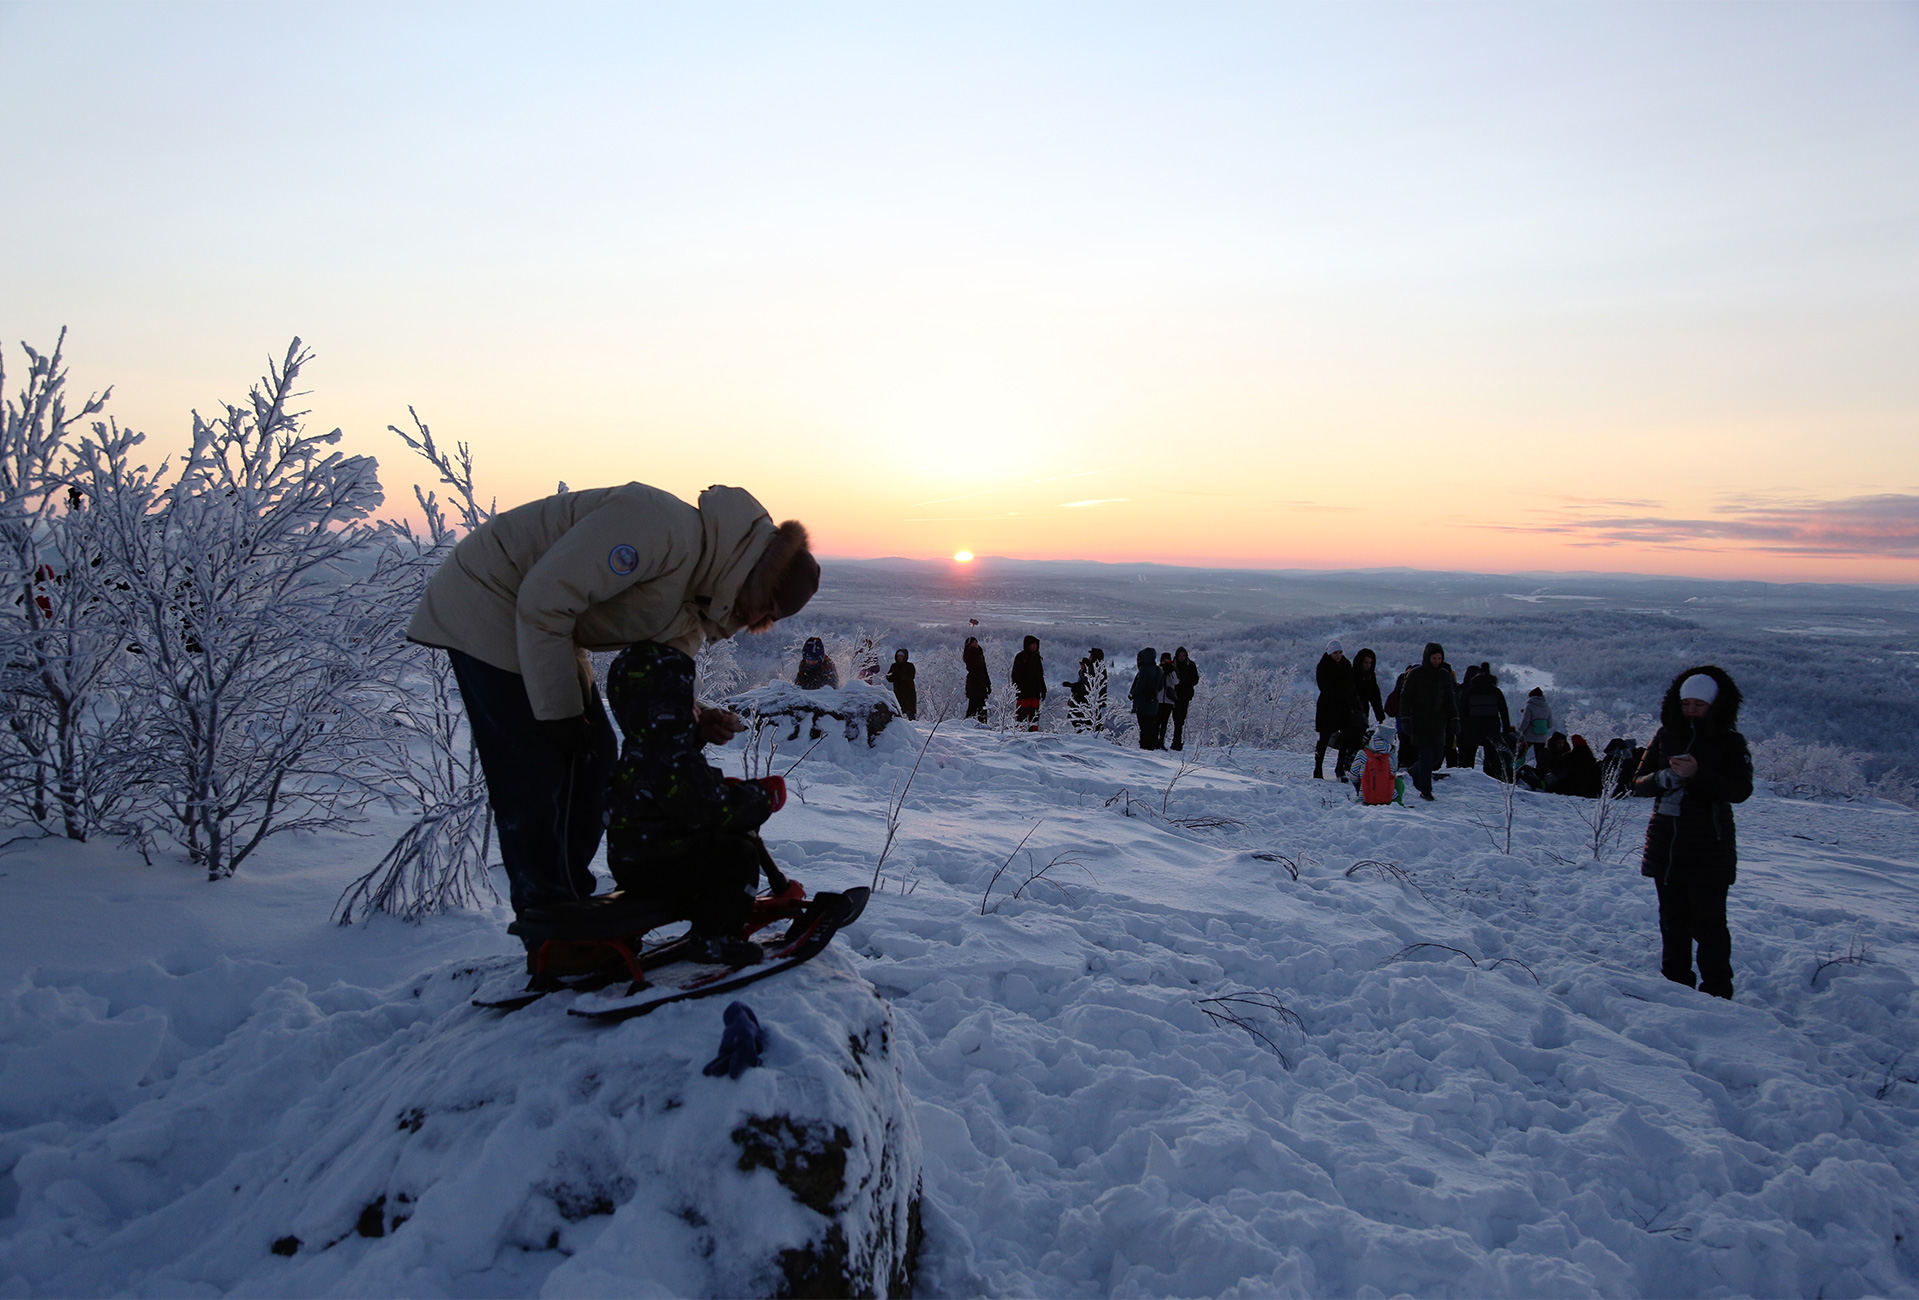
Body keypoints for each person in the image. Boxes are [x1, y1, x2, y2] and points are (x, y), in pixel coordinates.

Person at [405, 481, 817, 923]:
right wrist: (560, 715)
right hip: (489, 601)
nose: (757, 621)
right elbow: (545, 599)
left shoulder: (700, 598)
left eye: (770, 620)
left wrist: (691, 721)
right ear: (760, 575)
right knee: (536, 766)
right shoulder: (660, 529)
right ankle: (551, 923)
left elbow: (664, 679)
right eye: (767, 608)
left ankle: (573, 908)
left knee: (595, 756)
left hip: (549, 629)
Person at [603, 641, 789, 965]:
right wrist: (762, 797)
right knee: (737, 853)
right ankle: (714, 938)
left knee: (713, 845)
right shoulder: (673, 760)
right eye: (688, 701)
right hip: (664, 863)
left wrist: (714, 783)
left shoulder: (639, 747)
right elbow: (713, 811)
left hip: (630, 861)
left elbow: (677, 796)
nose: (695, 708)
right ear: (668, 706)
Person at [1631, 666, 1753, 1000]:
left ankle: (1716, 990)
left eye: (1699, 704)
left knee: (1710, 926)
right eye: (1687, 704)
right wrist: (1660, 779)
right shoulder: (1665, 735)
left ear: (1715, 704)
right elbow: (1637, 782)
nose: (1691, 710)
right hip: (1666, 845)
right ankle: (1675, 986)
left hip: (1709, 848)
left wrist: (1699, 774)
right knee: (1672, 923)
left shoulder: (1730, 742)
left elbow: (1740, 789)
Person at [1396, 642, 1457, 802]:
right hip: (1419, 721)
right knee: (1427, 755)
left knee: (1437, 755)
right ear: (1427, 658)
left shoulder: (1444, 676)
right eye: (1434, 658)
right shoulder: (1416, 674)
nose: (1437, 661)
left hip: (1438, 723)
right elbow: (1405, 697)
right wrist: (1405, 719)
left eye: (1439, 658)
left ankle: (1415, 770)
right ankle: (1425, 790)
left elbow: (1450, 700)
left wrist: (1454, 719)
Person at [1313, 640, 1355, 779]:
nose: (1338, 655)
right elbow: (1324, 686)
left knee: (1346, 737)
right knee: (1324, 738)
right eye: (1335, 653)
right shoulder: (1323, 666)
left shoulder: (1346, 665)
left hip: (1343, 707)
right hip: (1327, 707)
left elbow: (1351, 684)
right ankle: (1318, 768)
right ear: (1330, 653)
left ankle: (1340, 768)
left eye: (1340, 652)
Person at [1460, 669, 1513, 779]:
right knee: (1491, 755)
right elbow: (1503, 711)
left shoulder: (1470, 691)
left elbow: (1462, 710)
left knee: (1469, 754)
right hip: (1491, 727)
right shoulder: (1496, 692)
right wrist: (1506, 729)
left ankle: (1466, 776)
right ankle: (1490, 777)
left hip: (1473, 727)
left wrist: (1463, 727)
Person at [1341, 648, 1385, 778]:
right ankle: (1345, 765)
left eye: (1370, 663)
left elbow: (1375, 696)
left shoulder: (1370, 677)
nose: (1367, 665)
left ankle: (1352, 766)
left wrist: (1379, 714)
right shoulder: (1351, 674)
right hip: (1349, 713)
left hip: (1362, 714)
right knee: (1348, 740)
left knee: (1358, 740)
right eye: (1365, 662)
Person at [1064, 647, 1107, 731]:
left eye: (1091, 655)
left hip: (1086, 702)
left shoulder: (1096, 669)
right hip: (1087, 702)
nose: (1090, 656)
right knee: (1086, 723)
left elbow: (1087, 685)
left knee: (1083, 723)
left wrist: (1074, 687)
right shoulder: (1095, 669)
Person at [1129, 648, 1163, 750]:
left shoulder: (1144, 670)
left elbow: (1140, 686)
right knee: (1151, 727)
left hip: (1143, 703)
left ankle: (1144, 748)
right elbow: (1160, 687)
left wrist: (1133, 694)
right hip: (1154, 703)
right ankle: (1151, 746)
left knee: (1143, 728)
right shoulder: (1158, 670)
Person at [1012, 635, 1047, 729]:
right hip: (1023, 693)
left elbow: (1040, 675)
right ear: (1027, 645)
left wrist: (1043, 689)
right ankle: (1019, 737)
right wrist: (1017, 689)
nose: (1034, 646)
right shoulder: (1020, 657)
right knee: (1021, 719)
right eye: (1032, 644)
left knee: (1034, 719)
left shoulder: (1037, 658)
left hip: (1035, 693)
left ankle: (1034, 737)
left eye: (1036, 644)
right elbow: (1015, 675)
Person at [1169, 647, 1201, 750]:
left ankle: (1177, 741)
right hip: (1174, 695)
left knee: (1181, 719)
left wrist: (1187, 682)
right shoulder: (1172, 665)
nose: (1181, 658)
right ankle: (1176, 741)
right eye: (1180, 656)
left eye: (1183, 656)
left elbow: (1196, 679)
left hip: (1185, 695)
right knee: (1176, 718)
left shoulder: (1190, 665)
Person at [1516, 687, 1554, 769]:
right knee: (1540, 758)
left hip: (1528, 736)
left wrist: (1518, 732)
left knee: (1520, 755)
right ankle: (1540, 774)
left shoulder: (1529, 706)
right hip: (1542, 737)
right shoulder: (1547, 707)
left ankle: (1516, 771)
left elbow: (1525, 722)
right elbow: (1550, 724)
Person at [963, 636, 991, 722]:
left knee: (979, 706)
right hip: (973, 683)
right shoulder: (968, 654)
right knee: (974, 706)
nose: (975, 644)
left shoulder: (980, 654)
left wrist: (988, 684)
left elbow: (984, 670)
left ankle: (978, 723)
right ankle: (972, 724)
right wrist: (967, 650)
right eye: (973, 642)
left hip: (981, 683)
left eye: (976, 642)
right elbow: (969, 664)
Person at [886, 648, 917, 720]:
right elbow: (889, 676)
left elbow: (911, 676)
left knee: (909, 712)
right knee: (898, 710)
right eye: (898, 656)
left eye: (901, 656)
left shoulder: (910, 666)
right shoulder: (894, 666)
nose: (899, 658)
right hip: (897, 691)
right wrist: (892, 677)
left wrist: (899, 675)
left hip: (908, 692)